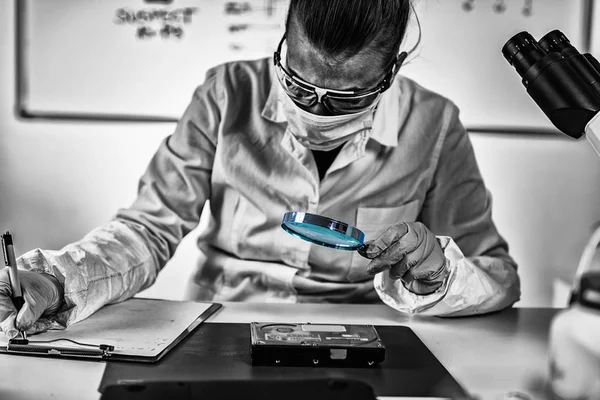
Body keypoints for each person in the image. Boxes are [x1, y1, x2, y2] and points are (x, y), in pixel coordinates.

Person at [0, 0, 520, 339]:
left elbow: (496, 275)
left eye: (348, 97)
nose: (316, 111)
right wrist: (58, 280)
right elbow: (147, 229)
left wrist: (436, 275)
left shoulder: (434, 123)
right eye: (297, 83)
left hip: (362, 336)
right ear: (282, 46)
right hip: (221, 327)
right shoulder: (226, 93)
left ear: (392, 72)